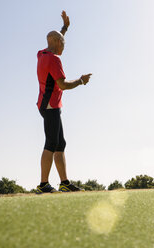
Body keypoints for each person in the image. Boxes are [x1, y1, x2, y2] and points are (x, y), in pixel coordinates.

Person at [35, 11, 92, 194]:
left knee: (60, 143)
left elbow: (55, 41)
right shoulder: (54, 59)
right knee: (51, 143)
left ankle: (64, 182)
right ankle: (44, 184)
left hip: (47, 105)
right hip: (50, 105)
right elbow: (63, 85)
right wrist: (81, 81)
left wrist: (64, 29)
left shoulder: (41, 54)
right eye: (64, 44)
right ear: (59, 43)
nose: (64, 47)